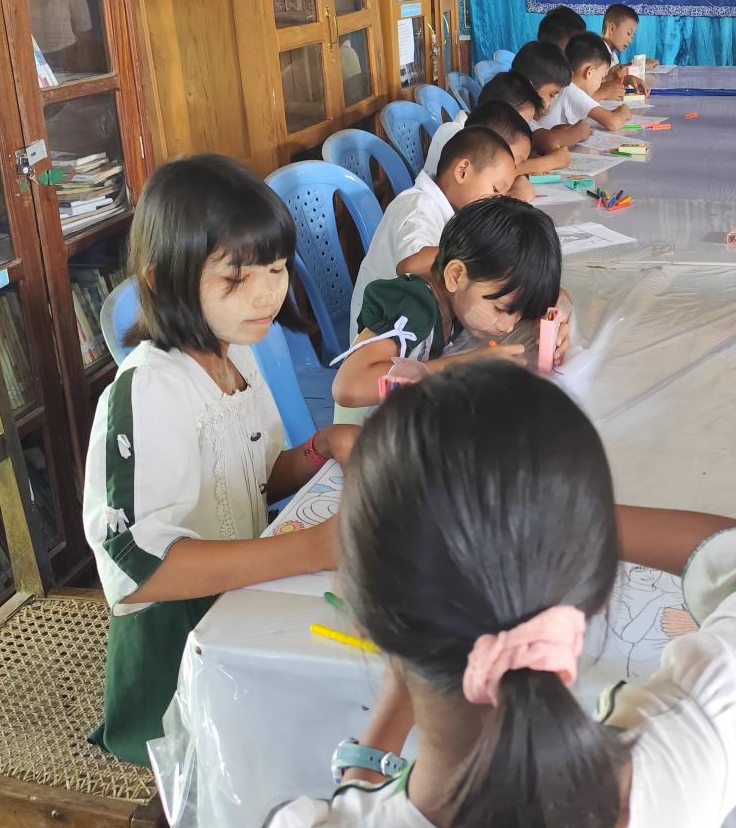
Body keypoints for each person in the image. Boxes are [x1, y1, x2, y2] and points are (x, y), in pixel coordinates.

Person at [248, 363, 736, 828]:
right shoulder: (689, 745)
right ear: (596, 591)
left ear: (361, 610)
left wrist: (364, 769)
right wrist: (552, 516)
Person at [82, 155, 353, 765]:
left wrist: (326, 445)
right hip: (178, 667)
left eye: (277, 269)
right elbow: (139, 567)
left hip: (242, 605)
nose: (268, 293)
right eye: (235, 280)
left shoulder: (236, 353)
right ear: (164, 281)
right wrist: (310, 549)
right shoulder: (148, 390)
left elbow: (257, 478)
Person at [332, 198, 561, 420]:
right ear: (456, 275)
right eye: (501, 309)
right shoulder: (413, 306)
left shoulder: (462, 291)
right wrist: (468, 365)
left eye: (518, 313)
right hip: (367, 428)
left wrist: (555, 319)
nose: (508, 325)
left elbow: (536, 297)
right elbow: (348, 387)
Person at [349, 128, 518, 330]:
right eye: (495, 190)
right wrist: (483, 253)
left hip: (418, 321)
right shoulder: (418, 207)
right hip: (382, 333)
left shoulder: (455, 211)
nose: (497, 202)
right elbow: (412, 265)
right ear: (462, 171)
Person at [543, 31, 630, 133]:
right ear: (589, 72)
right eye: (601, 77)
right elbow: (613, 122)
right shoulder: (571, 89)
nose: (601, 82)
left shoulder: (564, 84)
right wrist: (624, 112)